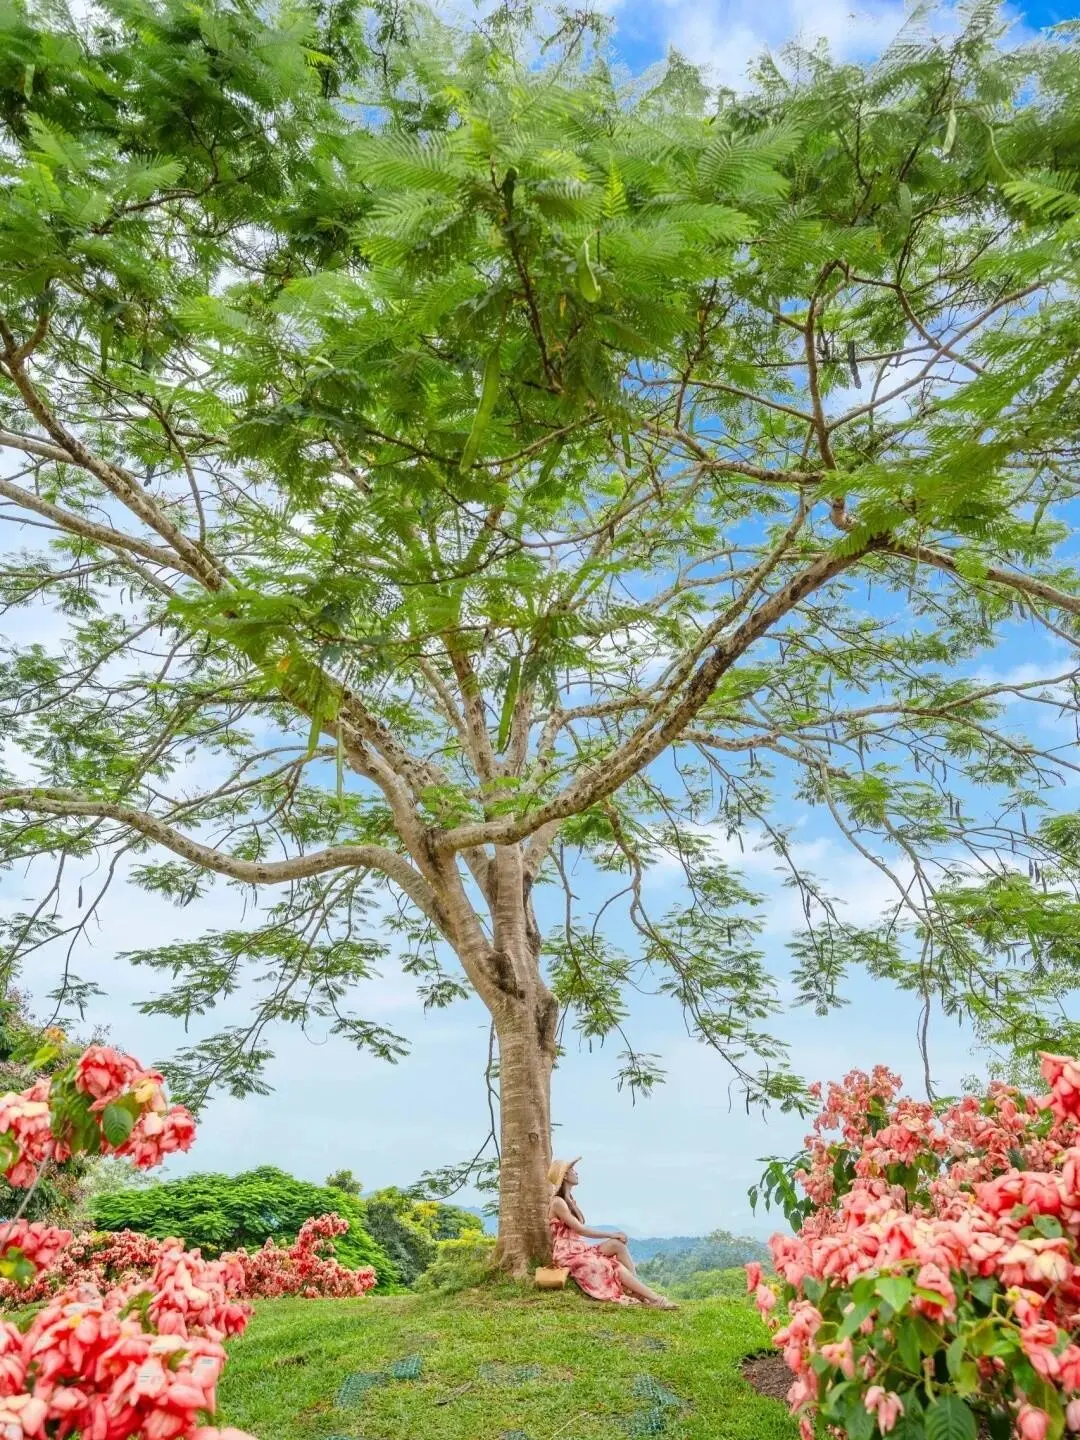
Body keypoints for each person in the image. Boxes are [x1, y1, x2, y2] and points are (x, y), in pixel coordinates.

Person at [547, 1156, 677, 1309]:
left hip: (579, 1249)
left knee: (617, 1245)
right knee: (610, 1263)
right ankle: (655, 1299)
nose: (576, 1173)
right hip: (568, 1254)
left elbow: (580, 1224)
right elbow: (580, 1229)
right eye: (572, 1170)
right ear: (565, 1176)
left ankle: (636, 1291)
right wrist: (610, 1234)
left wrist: (613, 1237)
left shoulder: (568, 1200)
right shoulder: (558, 1202)